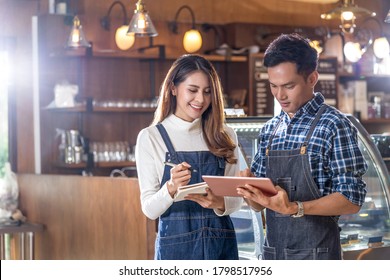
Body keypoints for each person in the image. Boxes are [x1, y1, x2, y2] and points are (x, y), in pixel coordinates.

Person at [237, 33, 367, 260]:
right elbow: (258, 207)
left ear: (312, 78)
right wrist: (248, 191)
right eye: (273, 86)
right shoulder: (270, 129)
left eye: (288, 86)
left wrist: (295, 207)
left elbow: (352, 199)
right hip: (274, 255)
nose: (280, 95)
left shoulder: (334, 125)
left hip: (318, 257)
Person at [135, 54, 242, 260]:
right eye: (192, 90)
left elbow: (236, 200)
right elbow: (149, 209)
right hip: (176, 251)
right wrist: (171, 188)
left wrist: (219, 202)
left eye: (207, 92)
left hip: (221, 247)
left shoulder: (225, 135)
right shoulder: (151, 137)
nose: (201, 99)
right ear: (173, 89)